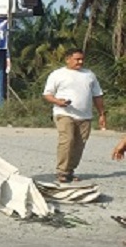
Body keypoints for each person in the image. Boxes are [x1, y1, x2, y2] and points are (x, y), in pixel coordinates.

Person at [43, 49, 105, 183]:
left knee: (79, 144)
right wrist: (58, 102)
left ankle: (69, 171)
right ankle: (61, 171)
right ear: (68, 59)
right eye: (77, 59)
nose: (80, 62)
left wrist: (101, 114)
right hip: (64, 113)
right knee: (67, 139)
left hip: (85, 116)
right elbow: (47, 95)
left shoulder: (89, 75)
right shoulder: (57, 74)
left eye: (82, 59)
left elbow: (97, 95)